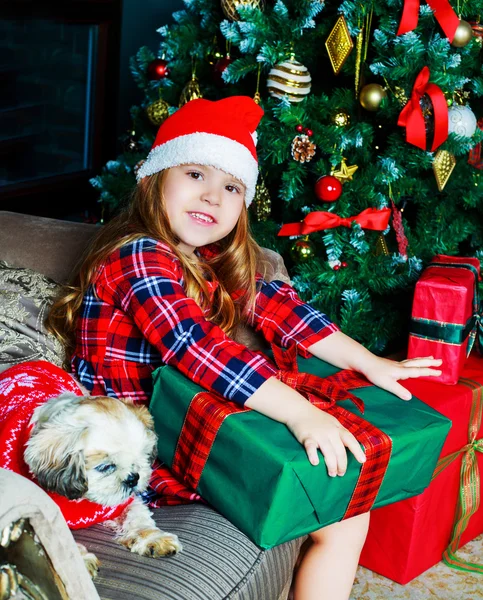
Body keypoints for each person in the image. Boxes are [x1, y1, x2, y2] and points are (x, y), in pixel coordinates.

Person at [47, 96, 442, 600]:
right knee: (327, 499)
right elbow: (196, 347)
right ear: (153, 180)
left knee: (346, 515)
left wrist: (371, 362)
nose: (212, 197)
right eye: (195, 175)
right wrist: (300, 414)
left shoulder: (211, 259)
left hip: (182, 423)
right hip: (135, 452)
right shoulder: (137, 255)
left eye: (231, 186)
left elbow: (287, 312)